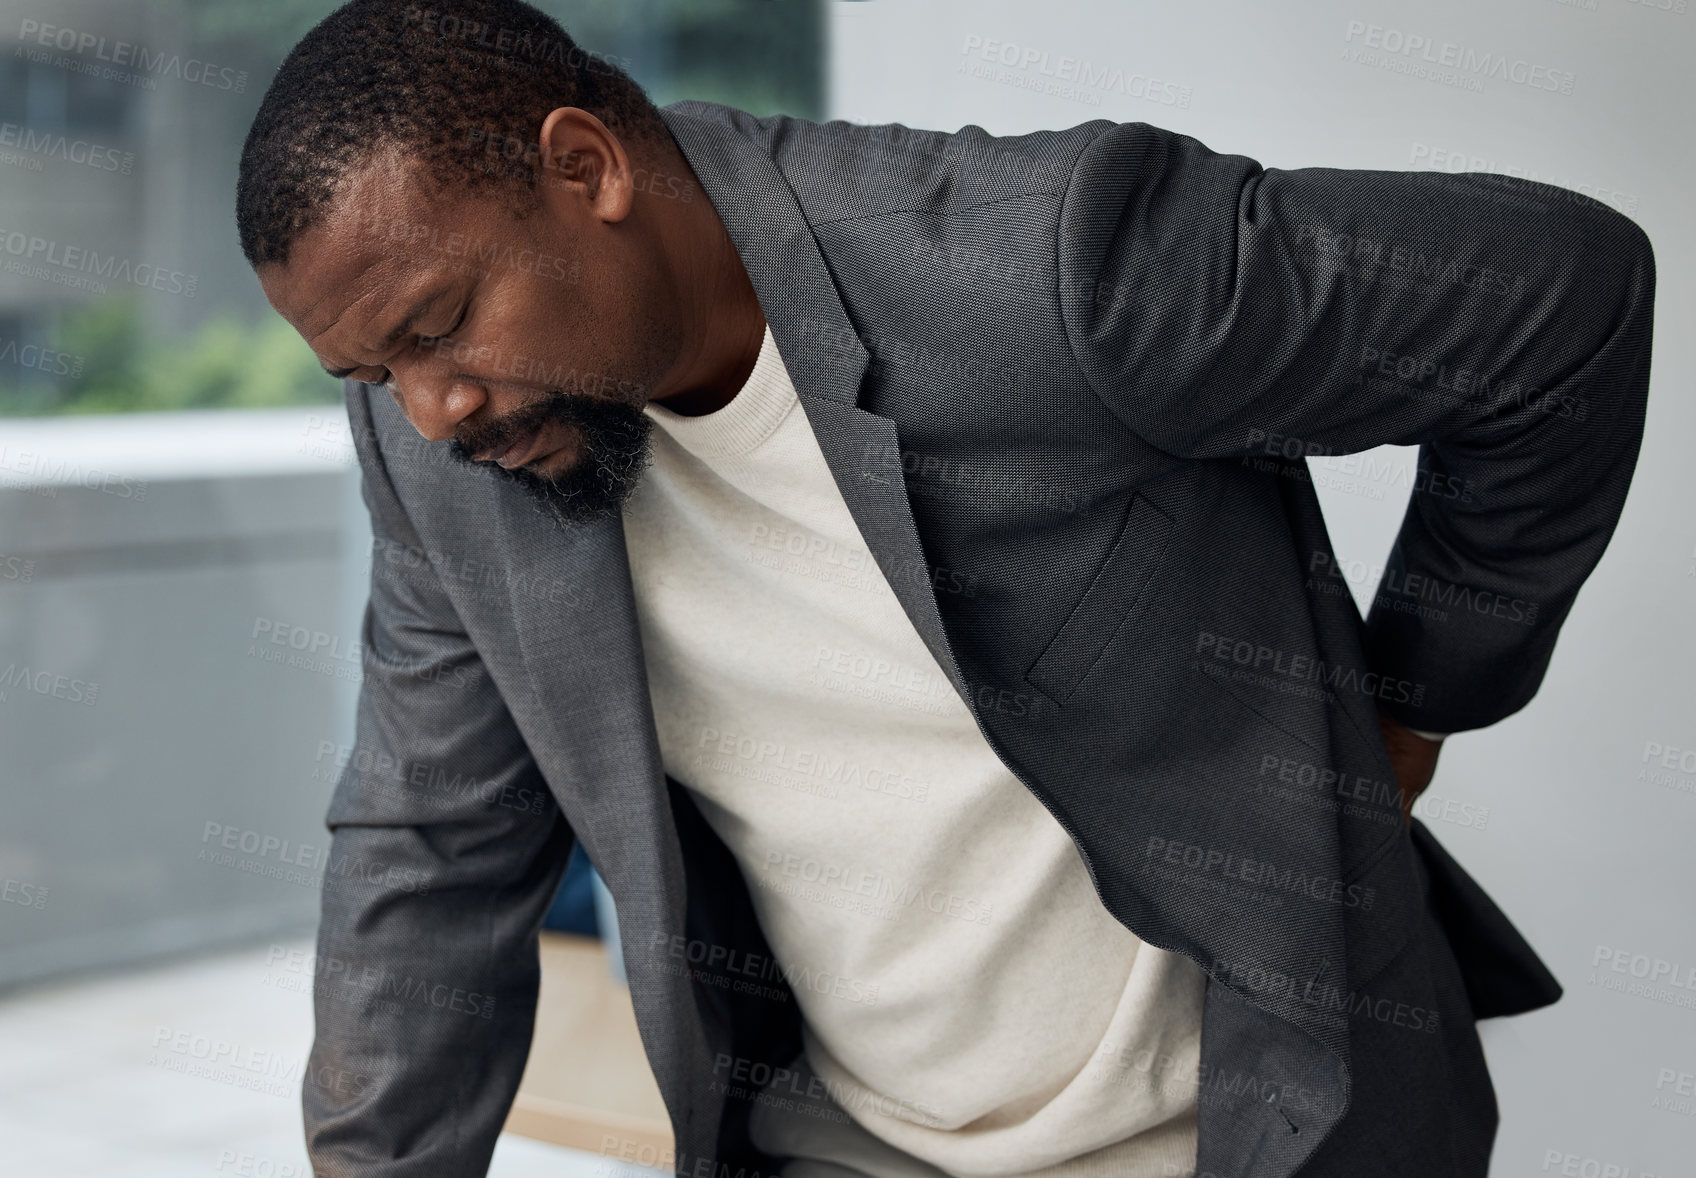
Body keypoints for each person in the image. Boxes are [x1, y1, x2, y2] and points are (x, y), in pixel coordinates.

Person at [235, 1, 1656, 1176]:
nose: (430, 408)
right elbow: (425, 850)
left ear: (585, 167)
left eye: (438, 326)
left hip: (1243, 1131)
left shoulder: (1050, 268)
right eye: (371, 373)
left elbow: (1561, 307)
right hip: (842, 1140)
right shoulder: (447, 445)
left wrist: (1411, 706)